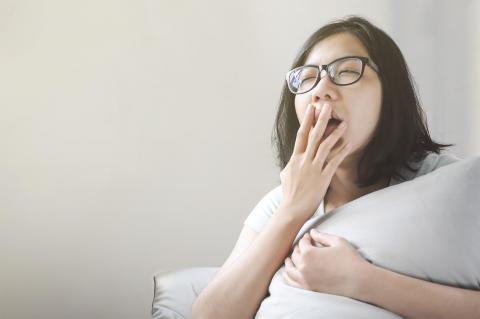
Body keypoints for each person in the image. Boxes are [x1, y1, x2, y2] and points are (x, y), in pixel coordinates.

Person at [192, 16, 480, 319]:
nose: (321, 90)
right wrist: (291, 211)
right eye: (306, 79)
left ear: (391, 93)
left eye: (346, 72)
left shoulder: (449, 188)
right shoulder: (278, 204)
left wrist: (362, 281)